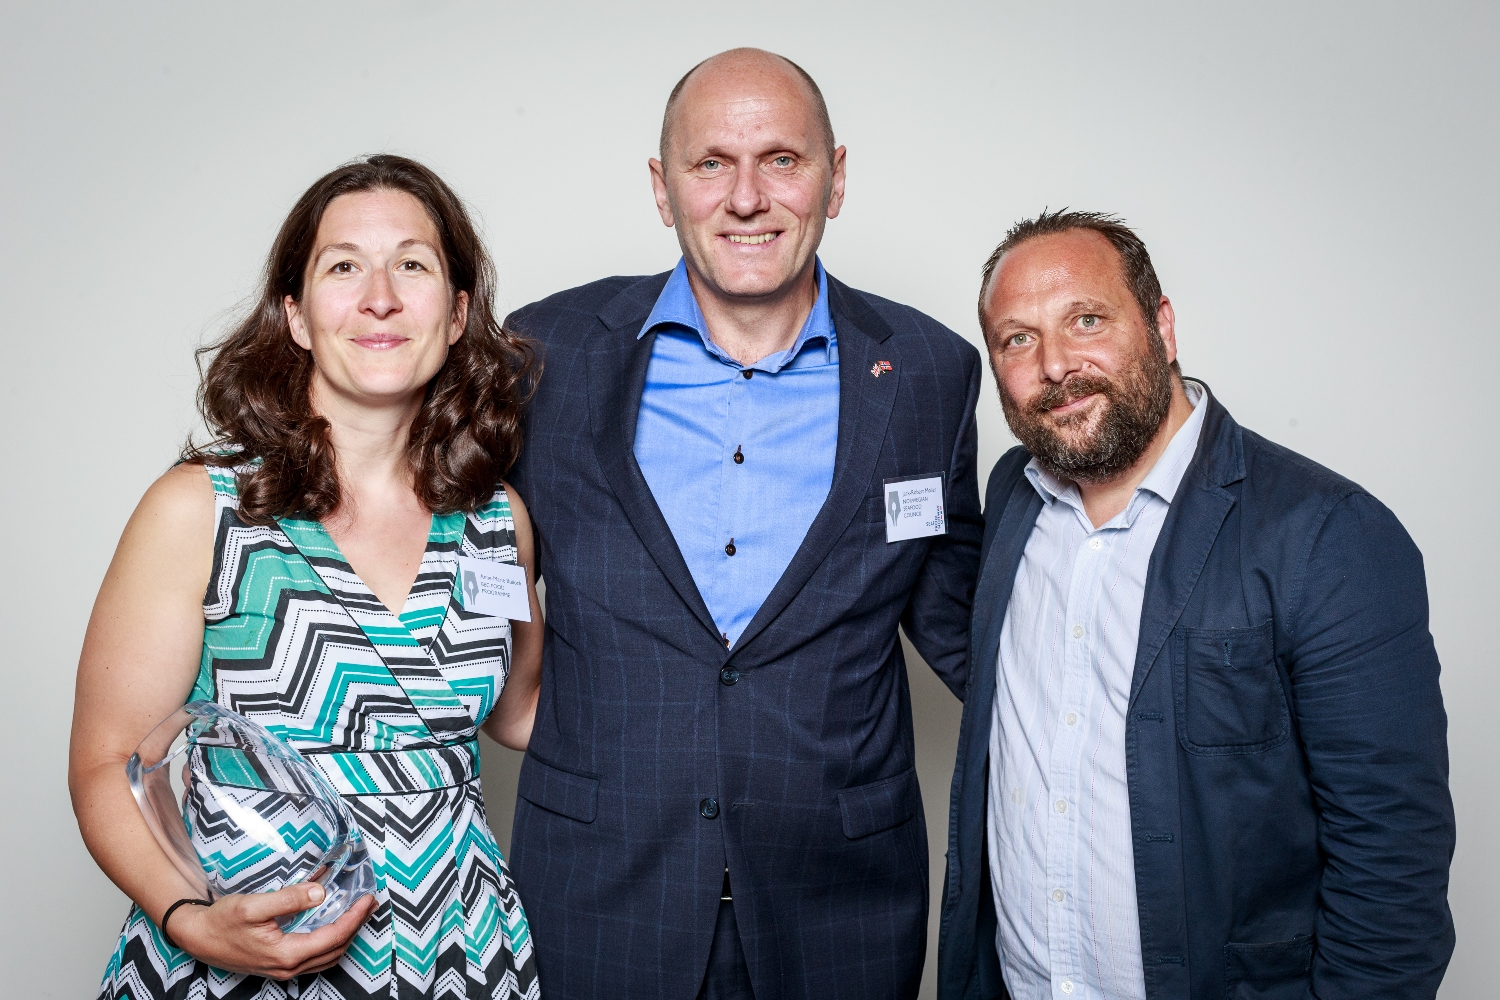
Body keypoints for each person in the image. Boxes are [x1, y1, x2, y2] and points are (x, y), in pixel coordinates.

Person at [502, 48, 983, 999]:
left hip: (841, 900)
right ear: (662, 186)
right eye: (711, 162)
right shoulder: (542, 357)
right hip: (598, 889)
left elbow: (960, 620)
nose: (747, 197)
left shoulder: (928, 369)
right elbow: (444, 551)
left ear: (835, 178)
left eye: (783, 160)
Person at [937, 211, 1456, 1000]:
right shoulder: (1014, 495)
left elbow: (1392, 870)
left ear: (1162, 325)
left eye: (1086, 319)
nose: (1056, 365)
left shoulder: (1327, 535)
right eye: (1017, 340)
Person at [71, 154, 545, 1000]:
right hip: (243, 950)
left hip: (462, 951)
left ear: (457, 310)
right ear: (295, 315)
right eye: (343, 266)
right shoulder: (200, 509)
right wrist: (189, 917)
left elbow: (521, 713)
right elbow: (107, 762)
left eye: (413, 264)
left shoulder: (496, 517)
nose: (380, 297)